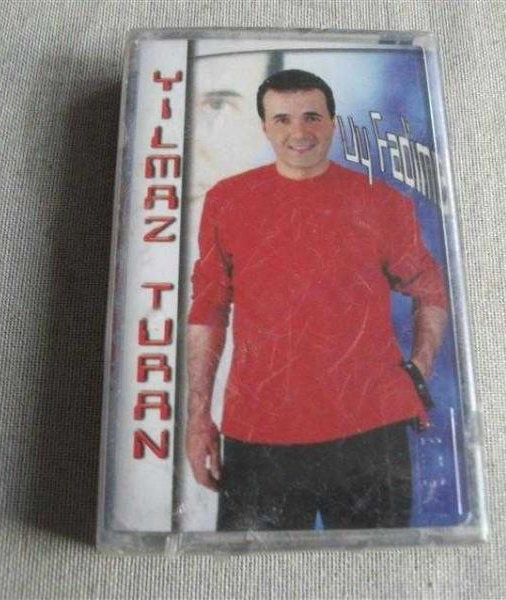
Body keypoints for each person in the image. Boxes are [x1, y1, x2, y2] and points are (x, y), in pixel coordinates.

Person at [185, 69, 448, 531]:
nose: (298, 132)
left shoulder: (381, 202)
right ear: (265, 128)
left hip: (371, 434)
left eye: (311, 117)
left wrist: (420, 369)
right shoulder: (228, 200)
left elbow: (431, 289)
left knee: (378, 567)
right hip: (260, 434)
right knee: (253, 568)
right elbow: (208, 309)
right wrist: (198, 417)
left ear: (332, 123)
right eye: (282, 120)